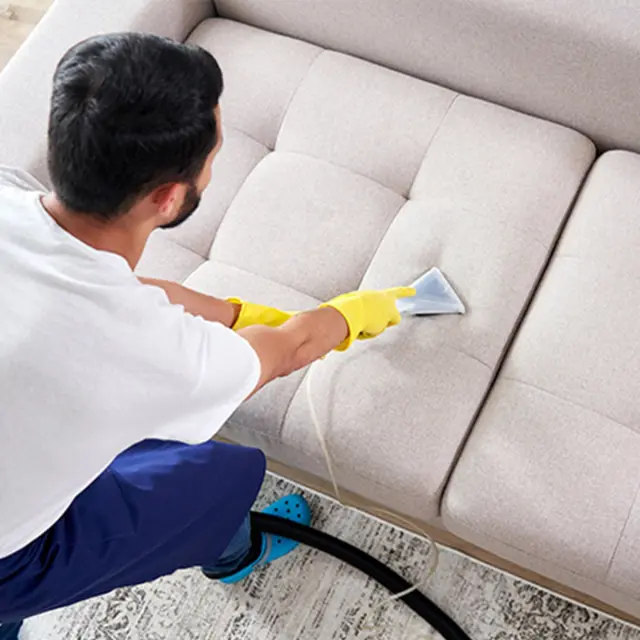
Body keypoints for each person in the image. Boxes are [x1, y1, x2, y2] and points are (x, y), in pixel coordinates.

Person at [0, 33, 413, 639]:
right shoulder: (152, 351)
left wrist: (230, 312)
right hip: (9, 558)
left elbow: (99, 284)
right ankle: (235, 555)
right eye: (214, 156)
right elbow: (289, 351)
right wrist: (351, 314)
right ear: (168, 198)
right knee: (218, 480)